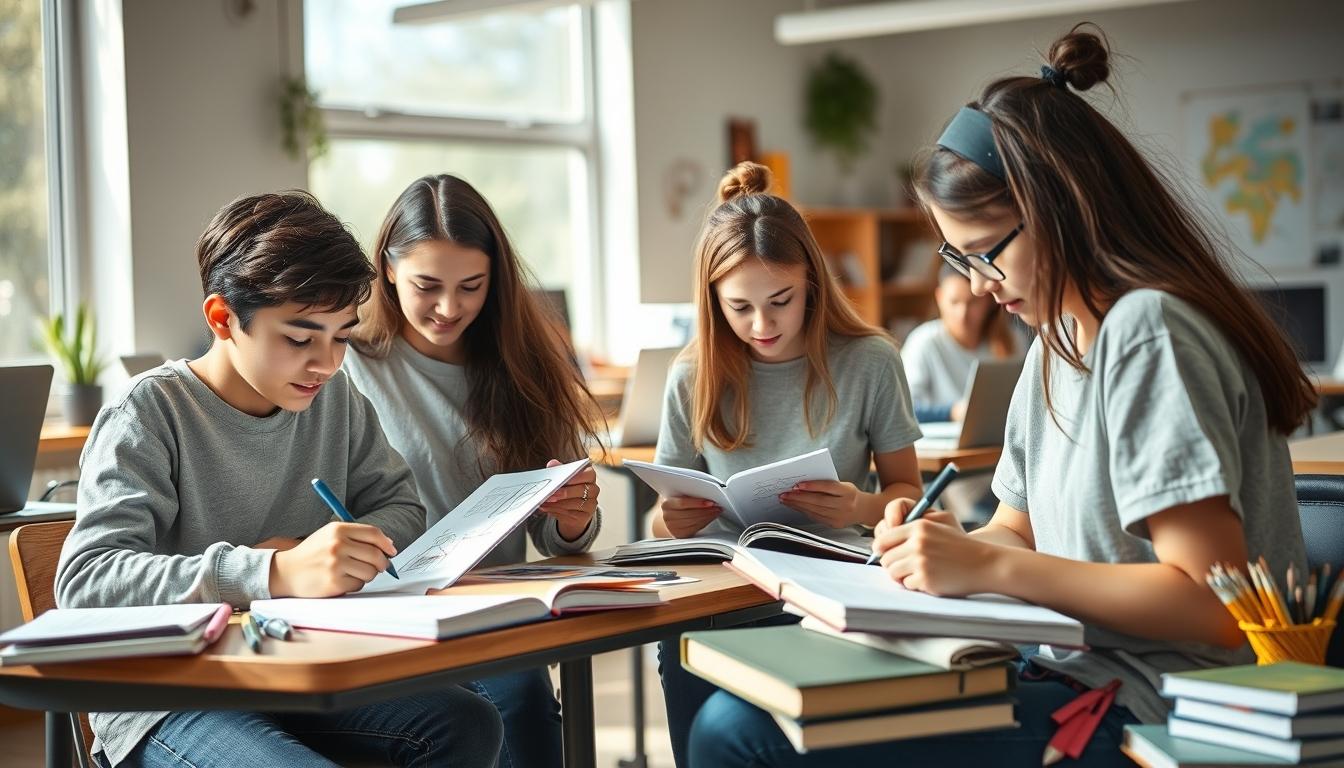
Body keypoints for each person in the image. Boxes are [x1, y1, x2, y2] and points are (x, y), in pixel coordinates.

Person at [688, 24, 1315, 767]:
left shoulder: (1149, 334)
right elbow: (1014, 533)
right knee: (738, 709)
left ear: (1060, 209)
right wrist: (930, 553)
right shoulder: (1056, 341)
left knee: (738, 733)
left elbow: (1212, 607)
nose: (980, 284)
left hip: (1160, 703)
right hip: (1065, 671)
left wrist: (987, 569)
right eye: (959, 257)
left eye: (986, 252)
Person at [55, 191, 503, 767]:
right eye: (299, 338)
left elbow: (401, 508)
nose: (327, 363)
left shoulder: (335, 400)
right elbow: (87, 581)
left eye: (341, 337)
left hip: (292, 670)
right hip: (169, 697)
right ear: (222, 319)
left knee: (464, 723)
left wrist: (348, 548)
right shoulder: (149, 413)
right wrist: (269, 571)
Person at [652, 161, 924, 766]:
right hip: (722, 590)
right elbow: (657, 521)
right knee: (696, 707)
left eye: (781, 300)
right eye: (738, 307)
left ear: (812, 283)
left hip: (828, 585)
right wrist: (675, 520)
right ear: (712, 301)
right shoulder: (693, 374)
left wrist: (861, 505)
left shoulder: (870, 361)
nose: (761, 325)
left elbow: (909, 490)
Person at [344, 174, 604, 768]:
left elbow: (562, 540)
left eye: (471, 286)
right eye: (426, 285)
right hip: (385, 613)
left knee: (524, 704)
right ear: (385, 269)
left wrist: (575, 518)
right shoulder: (348, 364)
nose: (448, 307)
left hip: (498, 613)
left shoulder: (525, 365)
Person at [903, 264, 1021, 423]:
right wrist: (951, 412)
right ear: (939, 298)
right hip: (940, 443)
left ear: (989, 302)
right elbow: (903, 409)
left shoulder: (1012, 340)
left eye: (972, 303)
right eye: (954, 302)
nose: (962, 314)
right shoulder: (923, 342)